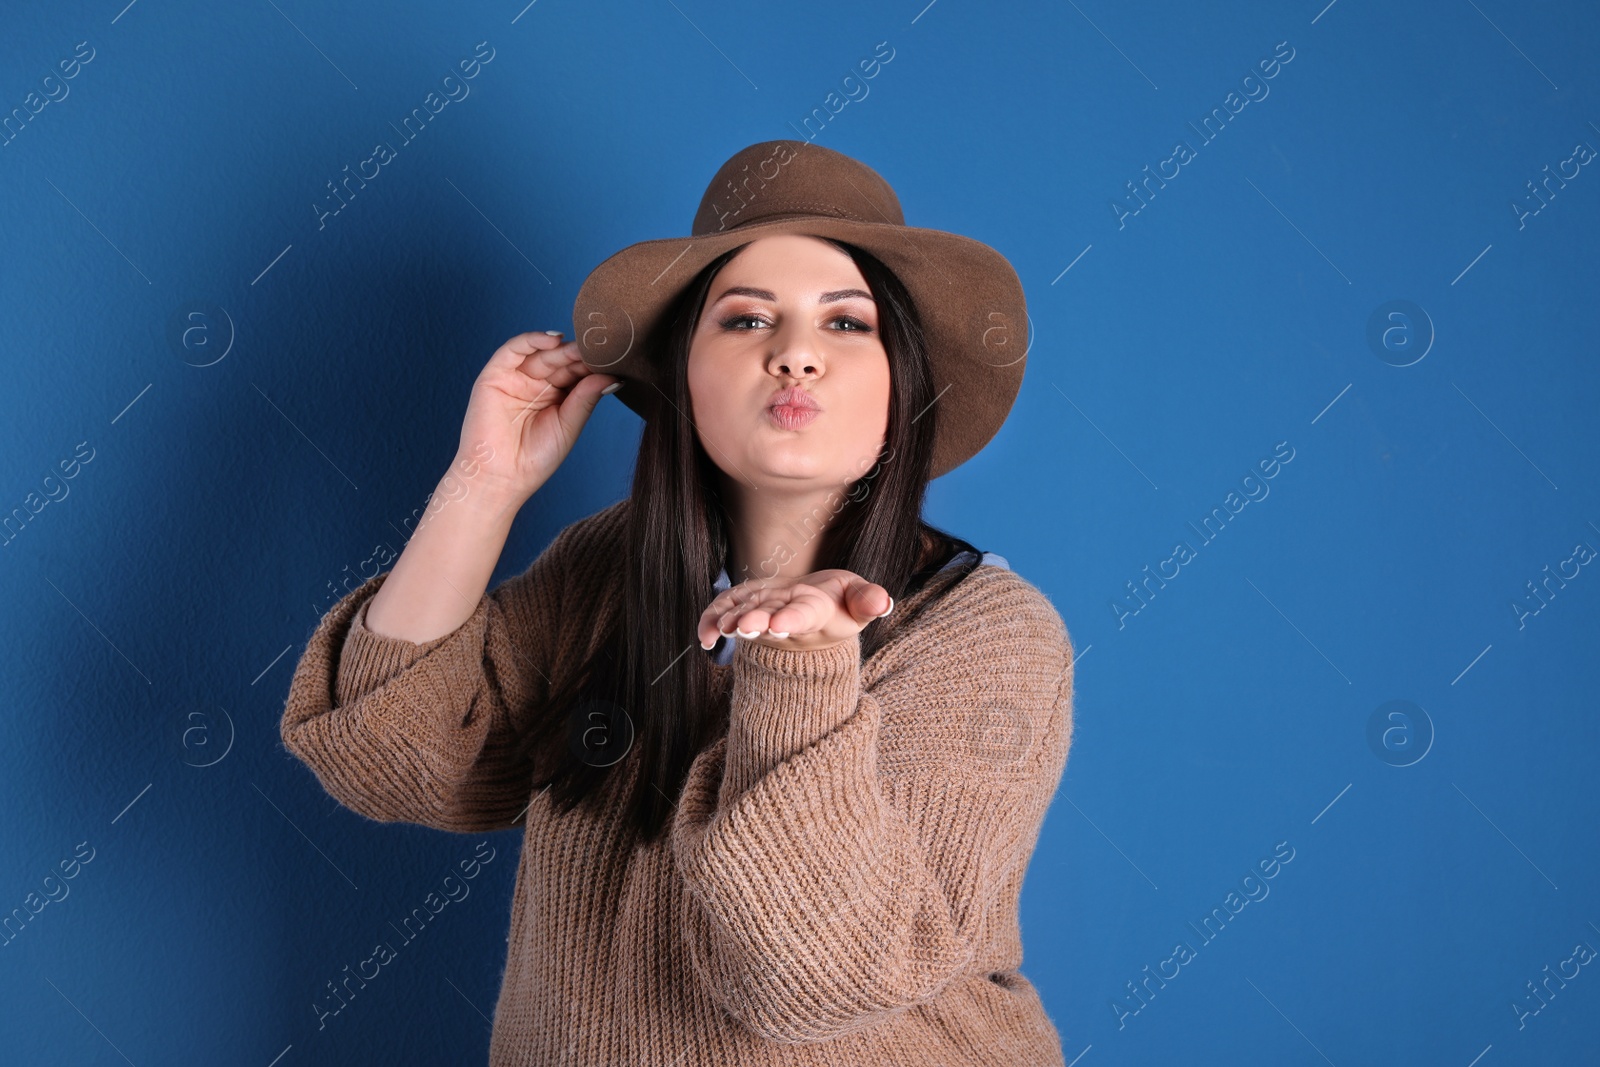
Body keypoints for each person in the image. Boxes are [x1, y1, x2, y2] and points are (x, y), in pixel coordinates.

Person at [280, 139, 1076, 1065]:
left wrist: (806, 669)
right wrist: (483, 485)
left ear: (904, 388)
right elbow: (394, 760)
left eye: (847, 326)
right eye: (745, 321)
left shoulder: (989, 631)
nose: (795, 357)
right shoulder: (608, 571)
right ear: (681, 380)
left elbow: (814, 978)